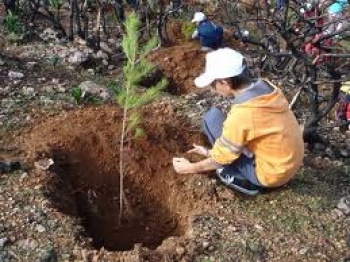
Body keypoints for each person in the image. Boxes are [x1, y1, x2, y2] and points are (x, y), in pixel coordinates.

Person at [172, 48, 304, 195]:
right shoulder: (268, 89)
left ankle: (245, 181)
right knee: (220, 121)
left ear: (224, 82)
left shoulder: (244, 114)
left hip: (270, 175)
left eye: (212, 84)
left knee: (212, 118)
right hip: (287, 165)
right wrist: (209, 152)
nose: (212, 89)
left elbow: (222, 158)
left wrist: (190, 168)